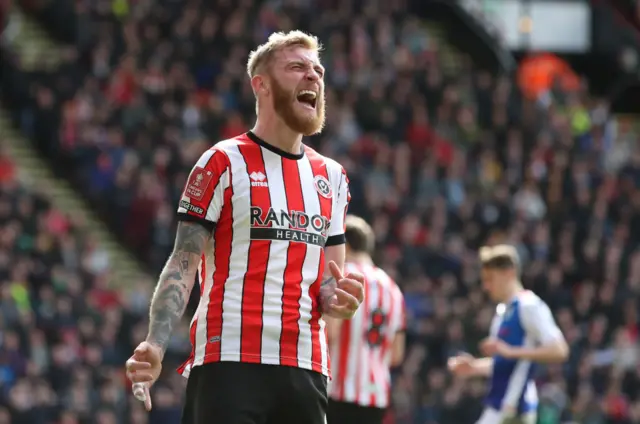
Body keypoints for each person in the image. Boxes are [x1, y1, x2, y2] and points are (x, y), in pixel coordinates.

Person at [124, 30, 366, 424]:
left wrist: (339, 299)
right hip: (230, 361)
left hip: (305, 366)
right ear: (262, 84)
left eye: (318, 70)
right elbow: (183, 262)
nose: (314, 77)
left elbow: (327, 282)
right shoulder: (222, 162)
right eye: (297, 67)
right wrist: (155, 342)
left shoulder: (333, 177)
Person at [448, 245, 569, 424]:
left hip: (514, 411)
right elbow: (507, 362)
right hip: (499, 407)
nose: (486, 286)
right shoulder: (502, 312)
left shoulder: (529, 305)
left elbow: (560, 350)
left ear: (509, 273)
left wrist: (511, 351)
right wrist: (474, 367)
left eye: (490, 279)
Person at [325, 215, 406, 424]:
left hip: (341, 390)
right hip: (376, 393)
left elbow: (330, 334)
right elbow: (396, 354)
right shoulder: (393, 288)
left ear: (346, 245)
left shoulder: (343, 277)